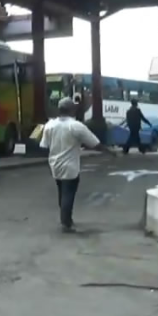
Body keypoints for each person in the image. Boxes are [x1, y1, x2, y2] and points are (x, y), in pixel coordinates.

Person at [39, 97, 113, 232]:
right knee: (68, 193)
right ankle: (66, 222)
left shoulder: (49, 125)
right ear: (72, 109)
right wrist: (109, 151)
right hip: (70, 166)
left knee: (62, 191)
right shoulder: (76, 126)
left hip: (54, 165)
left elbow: (44, 145)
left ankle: (66, 218)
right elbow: (94, 143)